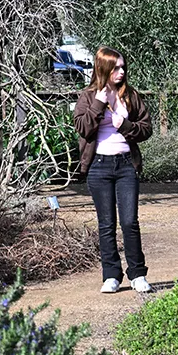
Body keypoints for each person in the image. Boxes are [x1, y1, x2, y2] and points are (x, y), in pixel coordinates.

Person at [72, 46, 153, 293]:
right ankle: (111, 276)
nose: (121, 71)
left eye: (123, 67)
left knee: (129, 222)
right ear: (103, 68)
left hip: (126, 165)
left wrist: (125, 125)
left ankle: (137, 274)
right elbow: (83, 128)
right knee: (106, 224)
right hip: (99, 166)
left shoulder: (130, 95)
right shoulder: (88, 96)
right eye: (116, 67)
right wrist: (99, 103)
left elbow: (146, 128)